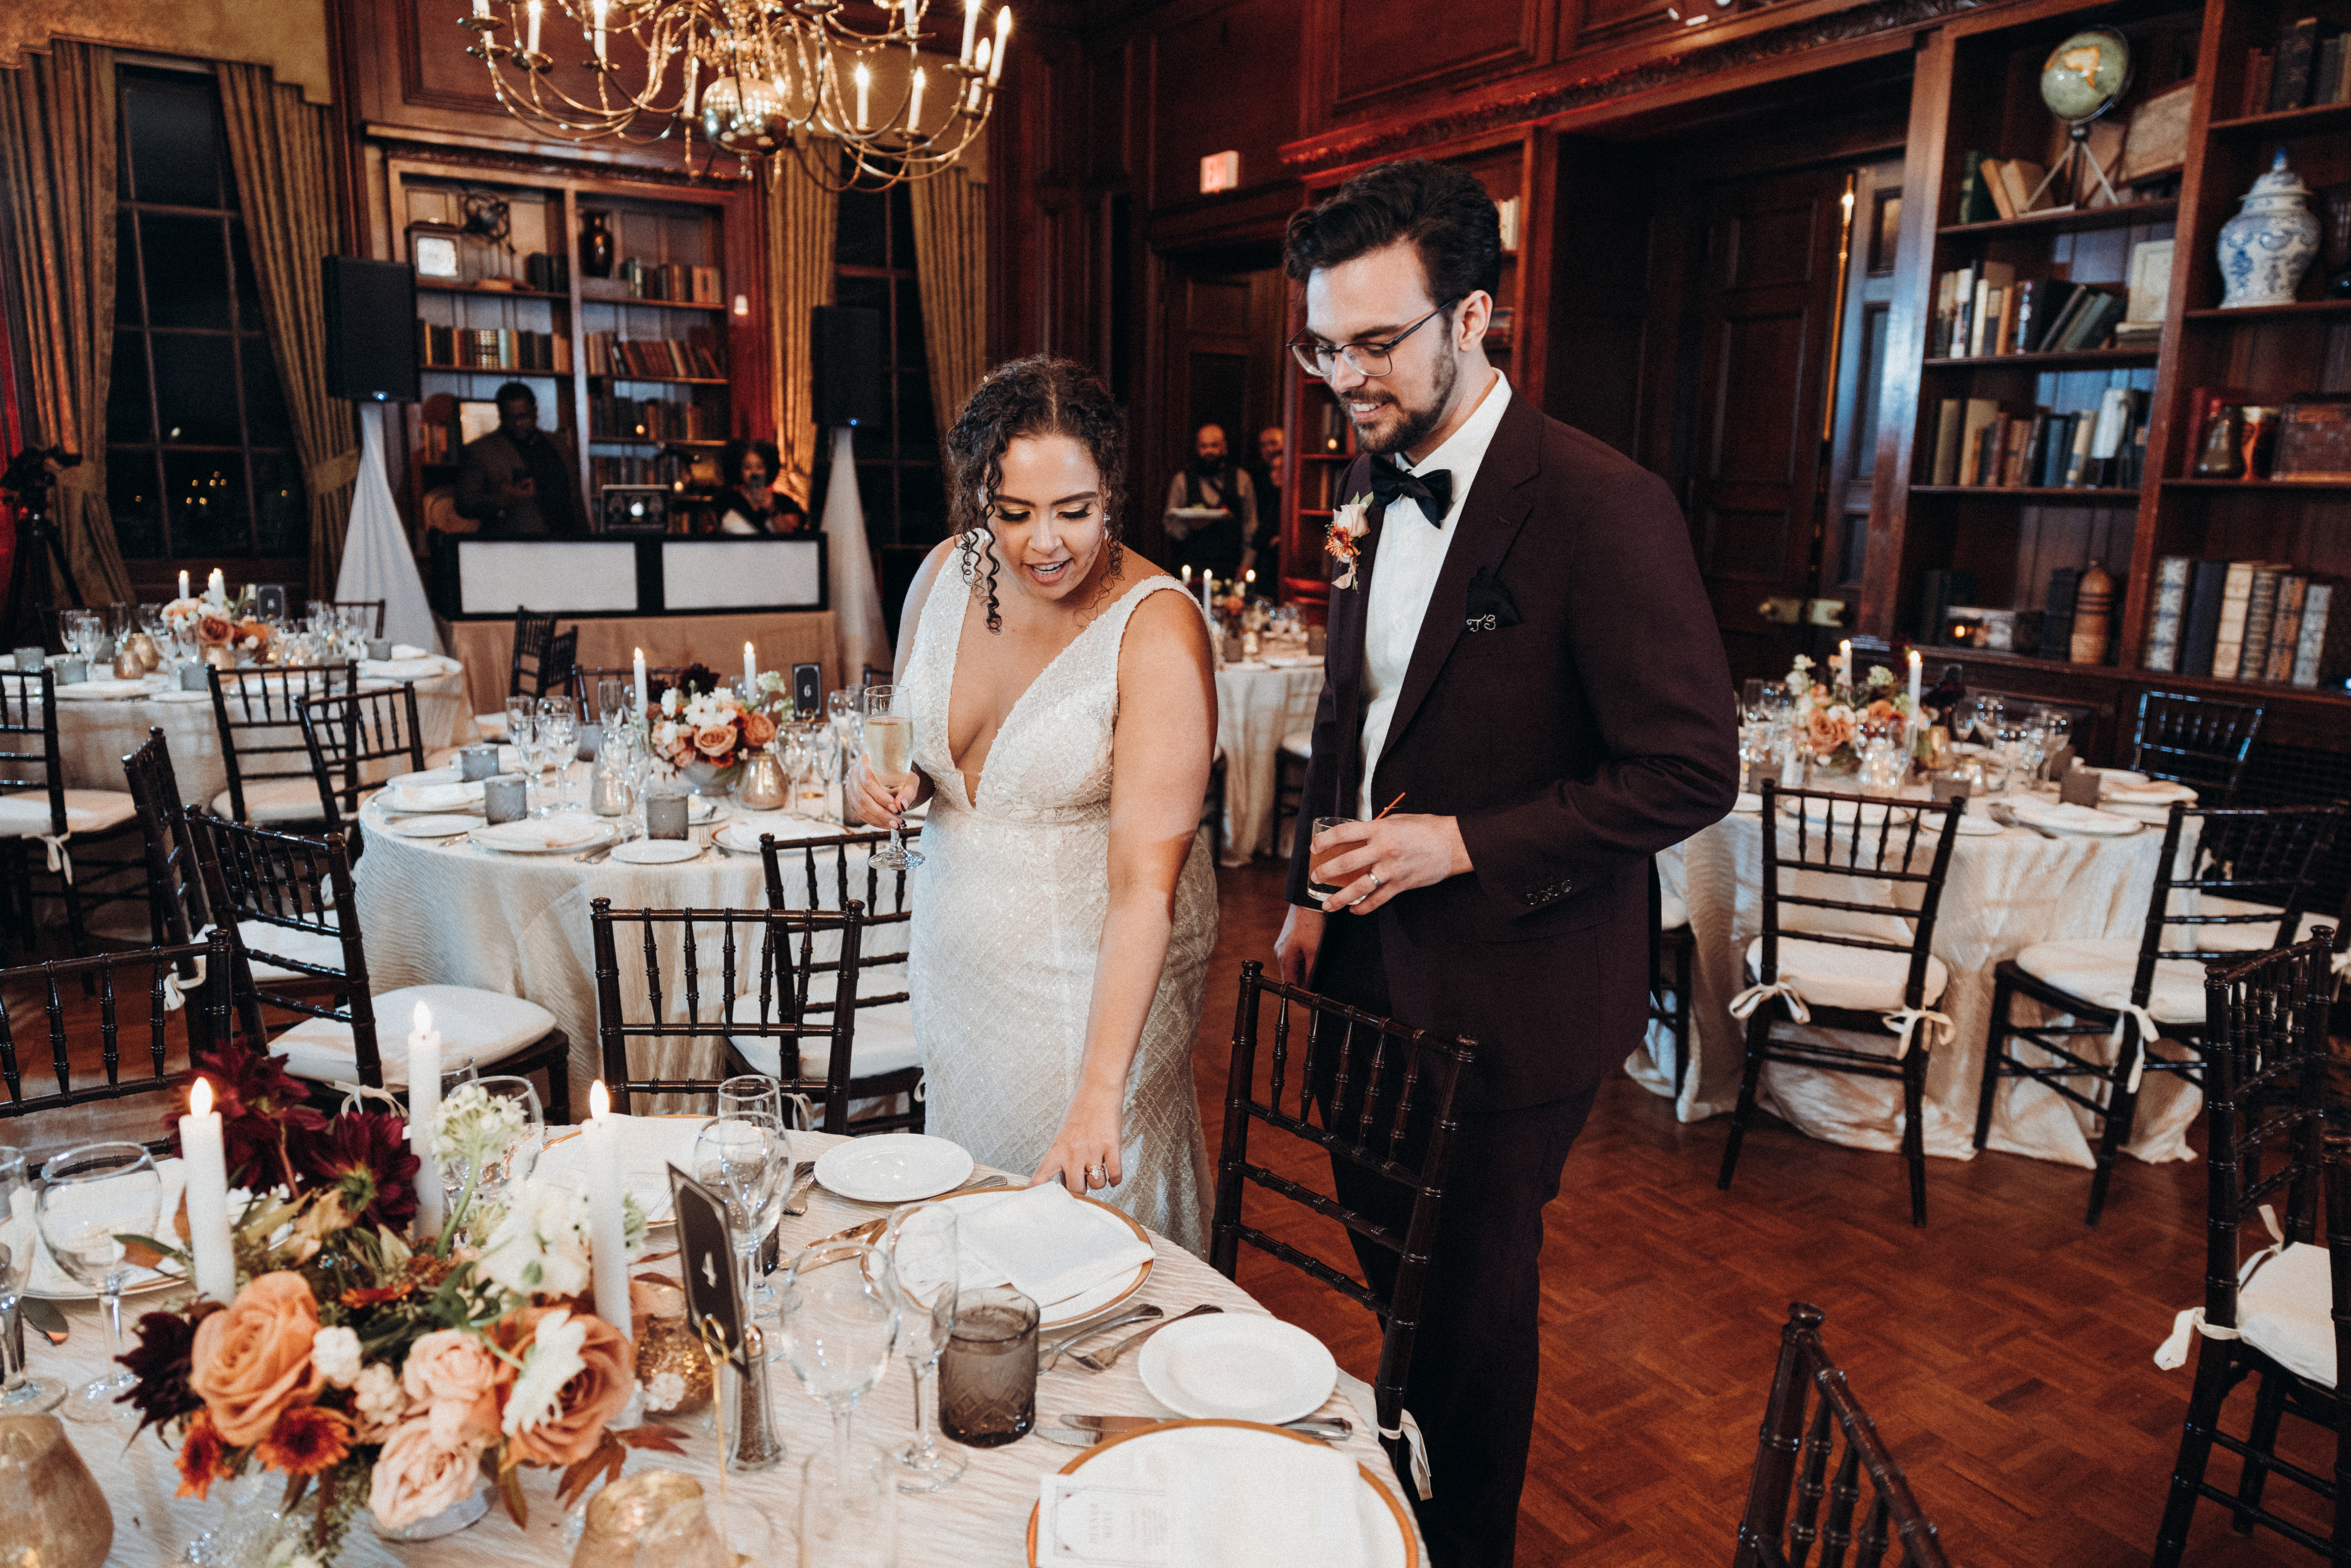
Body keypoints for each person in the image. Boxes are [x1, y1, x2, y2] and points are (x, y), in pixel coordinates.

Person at [1272, 159, 1737, 1567]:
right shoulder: (1372, 478)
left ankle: (1457, 1548)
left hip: (1517, 992)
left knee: (1470, 1314)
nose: (1343, 378)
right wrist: (1306, 890)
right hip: (1362, 962)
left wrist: (1462, 842)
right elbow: (1351, 708)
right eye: (1324, 345)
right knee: (1391, 1268)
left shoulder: (1603, 504)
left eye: (1373, 344)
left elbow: (1689, 770)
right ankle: (1403, 1496)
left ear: (1474, 315)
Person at [853, 356, 1221, 1254]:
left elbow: (1146, 892)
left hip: (1088, 995)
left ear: (1112, 493)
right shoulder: (942, 576)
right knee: (974, 1233)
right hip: (955, 973)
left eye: (1074, 511)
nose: (1042, 544)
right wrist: (870, 781)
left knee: (1086, 1255)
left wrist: (1099, 1091)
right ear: (975, 494)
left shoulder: (1155, 627)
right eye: (1011, 512)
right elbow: (900, 743)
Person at [452, 383, 590, 536]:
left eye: (523, 416)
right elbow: (464, 504)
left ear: (535, 412)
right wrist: (500, 500)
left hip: (569, 542)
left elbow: (575, 496)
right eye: (510, 418)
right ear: (501, 416)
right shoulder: (481, 451)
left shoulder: (558, 444)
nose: (518, 424)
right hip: (518, 548)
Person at [1159, 422, 1252, 581]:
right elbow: (1169, 522)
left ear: (1224, 447)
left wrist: (1247, 563)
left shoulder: (1242, 479)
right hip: (1193, 564)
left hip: (1231, 566)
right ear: (1197, 448)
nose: (1209, 451)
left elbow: (1251, 523)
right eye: (1204, 446)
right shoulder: (1182, 480)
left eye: (1214, 446)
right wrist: (1188, 527)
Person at [714, 438, 807, 534]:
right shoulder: (724, 502)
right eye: (748, 467)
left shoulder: (784, 502)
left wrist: (772, 509)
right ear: (739, 471)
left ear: (769, 469)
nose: (754, 472)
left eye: (760, 467)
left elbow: (794, 540)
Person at [1243, 424, 1284, 583]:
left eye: (1273, 443)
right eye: (1263, 445)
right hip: (1260, 551)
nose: (1268, 449)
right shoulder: (1256, 478)